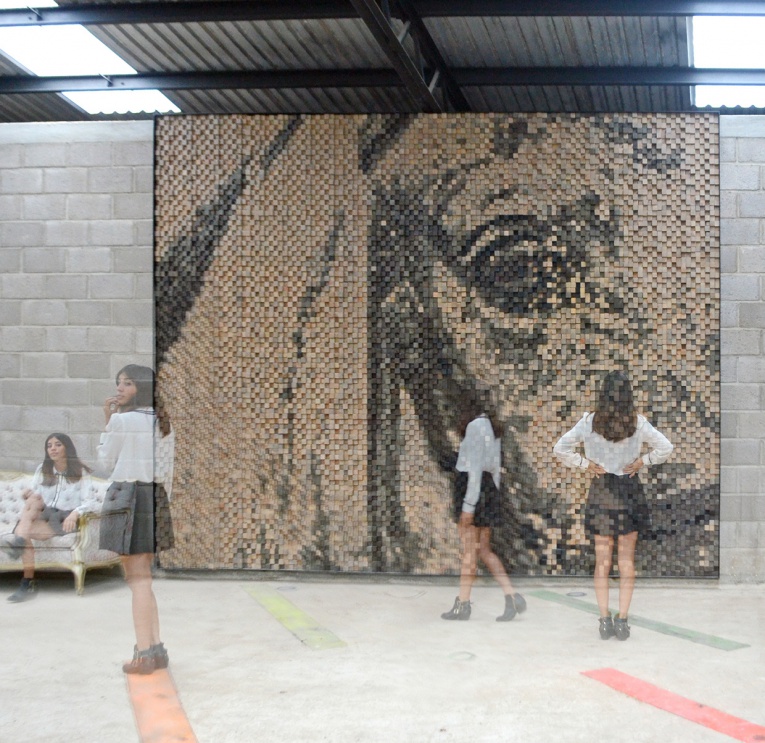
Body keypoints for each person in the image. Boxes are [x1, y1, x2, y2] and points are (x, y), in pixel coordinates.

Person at [553, 371, 673, 640]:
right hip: (629, 491)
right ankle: (623, 620)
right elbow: (666, 447)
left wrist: (586, 464)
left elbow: (560, 448)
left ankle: (604, 620)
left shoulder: (589, 422)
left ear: (603, 393)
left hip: (602, 491)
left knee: (602, 561)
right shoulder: (637, 423)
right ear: (628, 394)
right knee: (626, 561)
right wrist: (643, 461)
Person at [98, 364, 174, 674]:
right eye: (119, 382)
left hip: (127, 496)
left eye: (127, 383)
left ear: (140, 388)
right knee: (145, 579)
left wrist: (108, 422)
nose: (120, 388)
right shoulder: (163, 421)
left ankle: (144, 654)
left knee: (137, 580)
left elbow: (105, 462)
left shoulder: (122, 420)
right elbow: (167, 469)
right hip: (155, 496)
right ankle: (155, 649)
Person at [441, 399, 526, 622]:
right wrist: (492, 496)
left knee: (470, 551)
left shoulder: (474, 427)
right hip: (487, 490)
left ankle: (462, 604)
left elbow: (474, 469)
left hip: (473, 490)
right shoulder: (492, 428)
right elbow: (495, 469)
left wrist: (468, 506)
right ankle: (512, 596)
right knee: (484, 550)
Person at [2, 433, 96, 603]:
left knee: (23, 530)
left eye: (58, 445)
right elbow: (35, 495)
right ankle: (26, 573)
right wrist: (27, 494)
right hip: (42, 512)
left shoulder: (80, 471)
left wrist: (75, 514)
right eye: (49, 445)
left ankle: (26, 577)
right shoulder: (43, 469)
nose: (53, 449)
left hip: (63, 516)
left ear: (67, 447)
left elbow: (89, 502)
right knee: (34, 500)